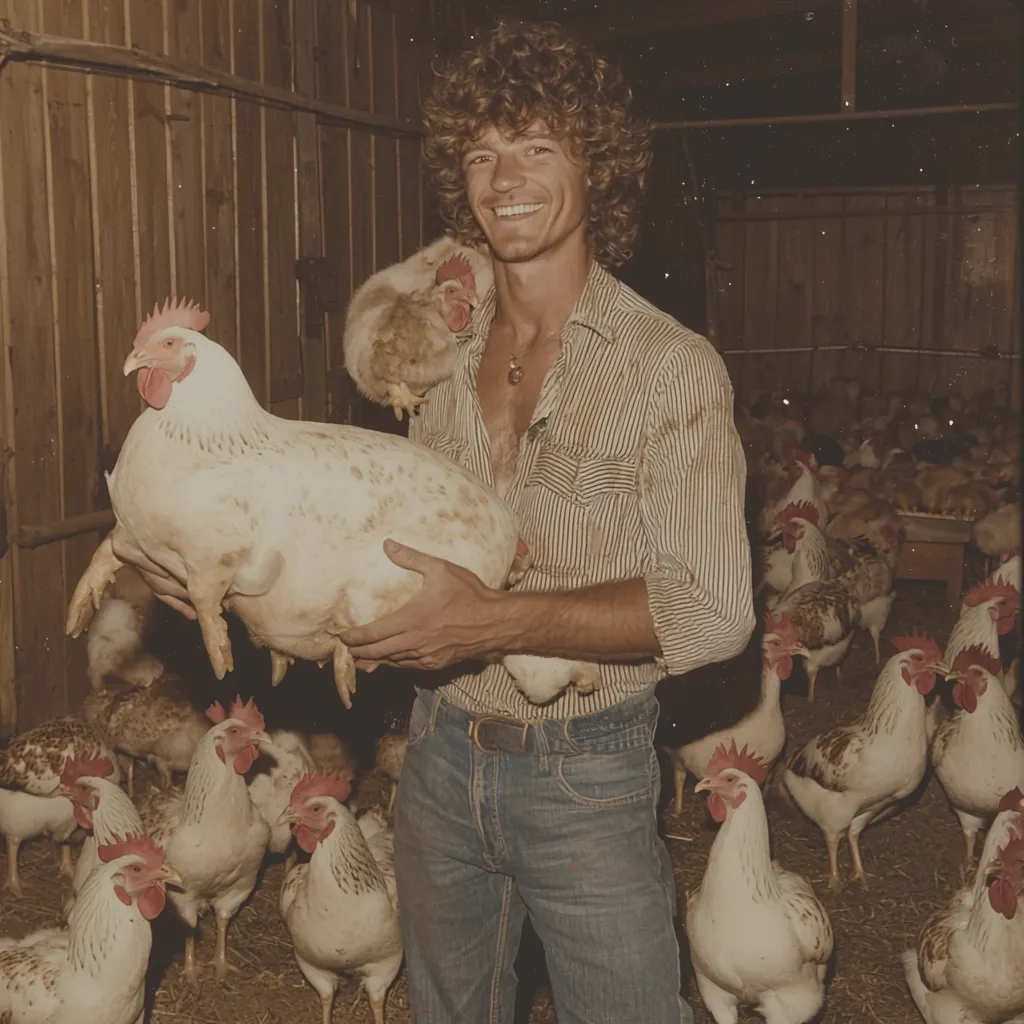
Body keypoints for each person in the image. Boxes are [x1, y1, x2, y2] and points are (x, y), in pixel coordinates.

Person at [339, 20, 755, 1024]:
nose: (503, 176)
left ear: (596, 165)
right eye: (480, 152)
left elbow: (710, 612)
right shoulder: (435, 361)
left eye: (535, 144)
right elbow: (395, 542)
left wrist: (494, 621)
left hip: (589, 771)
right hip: (435, 758)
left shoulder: (670, 365)